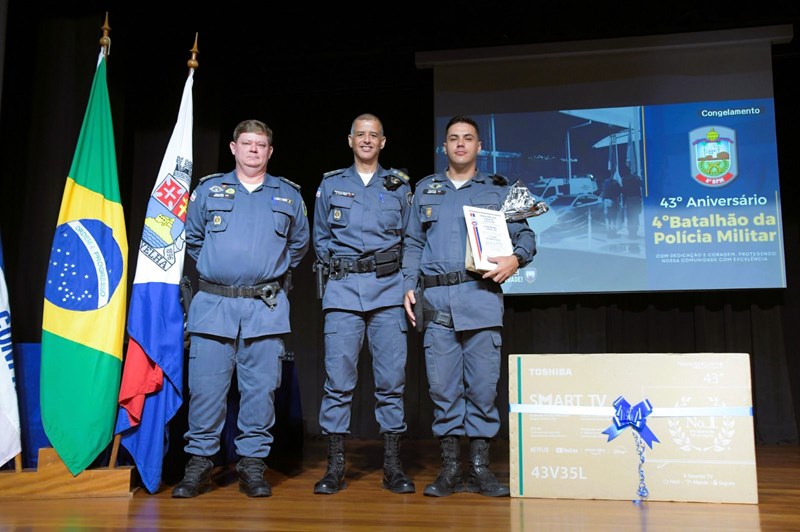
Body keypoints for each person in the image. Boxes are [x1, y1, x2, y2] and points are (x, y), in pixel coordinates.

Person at [172, 119, 309, 498]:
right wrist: (224, 272)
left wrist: (261, 273)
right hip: (214, 306)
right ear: (233, 148)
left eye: (261, 145)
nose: (253, 150)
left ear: (269, 151)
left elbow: (298, 247)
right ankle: (199, 464)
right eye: (246, 143)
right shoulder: (209, 190)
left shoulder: (288, 196)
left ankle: (251, 465)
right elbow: (194, 239)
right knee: (205, 390)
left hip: (264, 309)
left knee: (261, 392)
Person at [402, 115, 536, 497]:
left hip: (480, 300)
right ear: (444, 147)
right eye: (453, 139)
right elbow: (412, 244)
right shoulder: (426, 190)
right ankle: (449, 470)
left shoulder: (499, 190)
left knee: (481, 389)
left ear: (479, 147)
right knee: (443, 391)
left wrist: (516, 259)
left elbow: (525, 235)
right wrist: (407, 286)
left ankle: (479, 469)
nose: (460, 144)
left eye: (468, 139)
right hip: (437, 304)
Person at [312, 113, 414, 495]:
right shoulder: (331, 184)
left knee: (391, 382)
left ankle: (393, 466)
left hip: (388, 293)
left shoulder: (400, 187)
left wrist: (406, 284)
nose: (367, 140)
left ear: (383, 142)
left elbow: (411, 241)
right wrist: (339, 270)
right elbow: (320, 237)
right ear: (350, 140)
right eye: (361, 135)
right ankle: (335, 466)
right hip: (342, 293)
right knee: (338, 383)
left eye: (374, 135)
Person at [621, 167, 643, 239]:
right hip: (636, 199)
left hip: (628, 199)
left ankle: (631, 232)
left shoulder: (624, 179)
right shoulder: (636, 178)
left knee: (630, 216)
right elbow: (642, 185)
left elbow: (623, 191)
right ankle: (634, 232)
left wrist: (623, 203)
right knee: (636, 215)